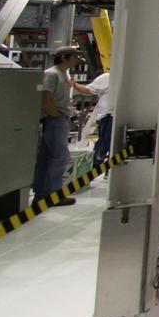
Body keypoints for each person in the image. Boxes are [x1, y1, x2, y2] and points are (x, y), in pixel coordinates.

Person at [35, 45, 92, 205]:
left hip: (58, 119)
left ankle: (42, 195)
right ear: (63, 58)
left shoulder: (63, 74)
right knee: (60, 157)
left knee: (48, 157)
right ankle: (53, 195)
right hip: (55, 120)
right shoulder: (52, 74)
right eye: (74, 56)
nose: (77, 60)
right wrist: (56, 115)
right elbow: (45, 97)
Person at [86, 71, 114, 167]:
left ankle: (99, 166)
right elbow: (88, 90)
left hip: (113, 115)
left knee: (108, 143)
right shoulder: (107, 77)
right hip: (107, 115)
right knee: (103, 144)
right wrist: (74, 84)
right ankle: (95, 166)